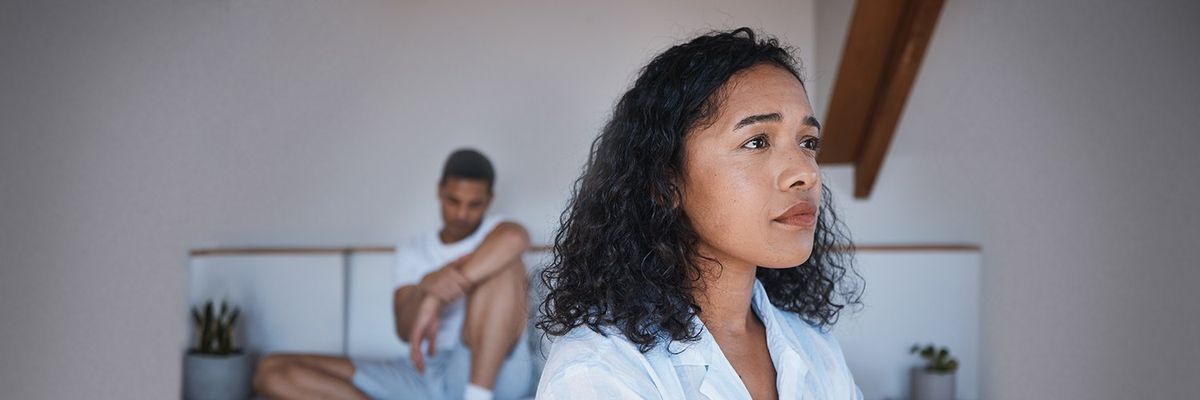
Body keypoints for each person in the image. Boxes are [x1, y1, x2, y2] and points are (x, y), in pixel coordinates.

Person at [536, 28, 864, 399]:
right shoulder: (599, 369)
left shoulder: (816, 348)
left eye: (808, 143)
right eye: (756, 141)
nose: (806, 172)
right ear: (666, 183)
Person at [255, 149, 534, 400]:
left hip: (486, 371)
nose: (462, 214)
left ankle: (477, 396)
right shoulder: (413, 251)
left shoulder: (496, 231)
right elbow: (404, 330)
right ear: (439, 191)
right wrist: (427, 288)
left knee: (506, 267)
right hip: (423, 372)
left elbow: (515, 238)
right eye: (453, 201)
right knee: (272, 371)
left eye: (474, 205)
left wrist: (435, 298)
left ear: (489, 201)